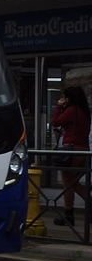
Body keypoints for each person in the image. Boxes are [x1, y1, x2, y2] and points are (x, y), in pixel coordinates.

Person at [50, 86, 91, 226]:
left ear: (70, 98)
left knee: (67, 185)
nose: (64, 99)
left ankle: (68, 215)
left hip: (72, 151)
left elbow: (55, 122)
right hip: (84, 151)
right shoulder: (85, 112)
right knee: (74, 184)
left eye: (65, 97)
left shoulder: (71, 110)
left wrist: (58, 107)